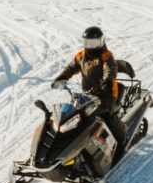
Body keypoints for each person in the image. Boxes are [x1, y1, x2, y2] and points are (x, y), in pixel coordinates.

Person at [50, 26, 129, 156]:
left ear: (101, 41)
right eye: (88, 43)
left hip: (107, 93)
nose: (91, 46)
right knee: (73, 117)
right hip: (87, 94)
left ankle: (122, 138)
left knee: (107, 115)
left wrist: (106, 83)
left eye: (94, 42)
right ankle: (67, 144)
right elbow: (70, 68)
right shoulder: (81, 56)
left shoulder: (106, 56)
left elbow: (110, 69)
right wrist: (60, 78)